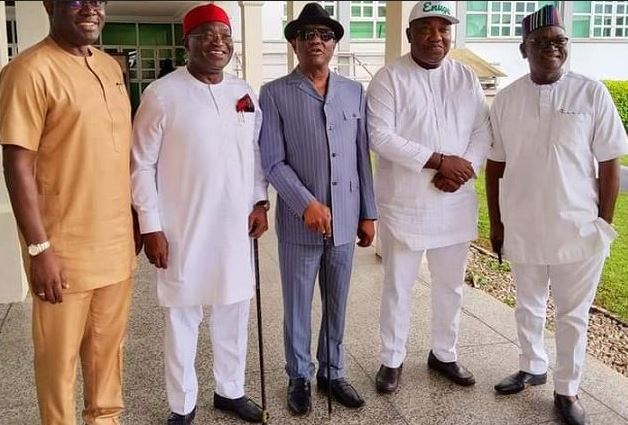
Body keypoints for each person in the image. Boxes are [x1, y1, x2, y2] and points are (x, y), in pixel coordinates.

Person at [486, 5, 628, 425]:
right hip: (523, 224)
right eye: (541, 42)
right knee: (528, 305)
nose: (552, 48)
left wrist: (603, 223)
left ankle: (567, 390)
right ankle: (532, 366)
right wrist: (497, 223)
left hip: (578, 229)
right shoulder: (507, 99)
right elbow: (495, 165)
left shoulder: (591, 93)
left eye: (560, 41)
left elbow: (610, 162)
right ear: (523, 49)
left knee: (572, 314)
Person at [0, 0, 138, 424]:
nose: (91, 8)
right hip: (63, 252)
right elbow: (17, 165)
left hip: (115, 247)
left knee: (108, 358)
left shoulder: (110, 68)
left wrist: (134, 217)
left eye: (98, 0)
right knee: (58, 368)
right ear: (50, 5)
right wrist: (39, 249)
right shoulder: (28, 70)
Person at [131, 4, 269, 424]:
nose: (218, 43)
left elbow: (255, 153)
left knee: (233, 312)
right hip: (182, 227)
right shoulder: (161, 94)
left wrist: (260, 201)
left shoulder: (243, 92)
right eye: (207, 35)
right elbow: (141, 165)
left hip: (234, 227)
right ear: (187, 42)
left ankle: (230, 391)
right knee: (182, 317)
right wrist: (151, 226)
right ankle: (182, 405)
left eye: (224, 36)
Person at [258, 2, 377, 416]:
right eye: (307, 34)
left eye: (325, 35)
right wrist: (305, 203)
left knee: (338, 301)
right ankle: (299, 376)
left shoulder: (353, 91)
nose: (316, 41)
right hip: (299, 224)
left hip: (345, 218)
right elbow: (272, 160)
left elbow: (361, 156)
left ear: (334, 44)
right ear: (294, 43)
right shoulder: (274, 93)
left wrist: (368, 213)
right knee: (297, 305)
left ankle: (332, 370)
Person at [366, 0, 490, 394]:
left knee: (450, 285)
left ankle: (444, 353)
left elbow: (482, 130)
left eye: (443, 29)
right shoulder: (389, 78)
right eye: (426, 28)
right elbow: (380, 136)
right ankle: (392, 359)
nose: (436, 36)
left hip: (455, 201)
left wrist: (463, 168)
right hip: (407, 204)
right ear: (410, 34)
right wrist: (438, 161)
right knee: (398, 286)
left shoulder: (465, 77)